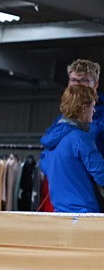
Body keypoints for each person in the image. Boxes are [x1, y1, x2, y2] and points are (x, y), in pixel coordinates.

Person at [40, 85, 104, 213]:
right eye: (92, 106)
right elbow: (101, 173)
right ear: (84, 108)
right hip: (85, 213)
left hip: (60, 212)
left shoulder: (51, 142)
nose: (94, 111)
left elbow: (45, 168)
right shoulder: (80, 139)